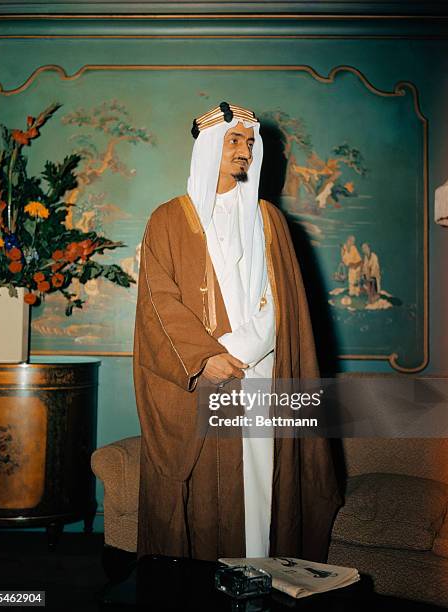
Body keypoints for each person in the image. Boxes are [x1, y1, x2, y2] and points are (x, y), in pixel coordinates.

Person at [133, 102, 341, 563]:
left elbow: (282, 299)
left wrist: (240, 350)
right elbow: (157, 301)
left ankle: (262, 578)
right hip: (205, 378)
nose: (244, 149)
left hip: (262, 372)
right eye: (234, 140)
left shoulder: (270, 220)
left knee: (263, 487)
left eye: (250, 142)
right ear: (208, 147)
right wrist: (206, 358)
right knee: (211, 494)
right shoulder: (167, 220)